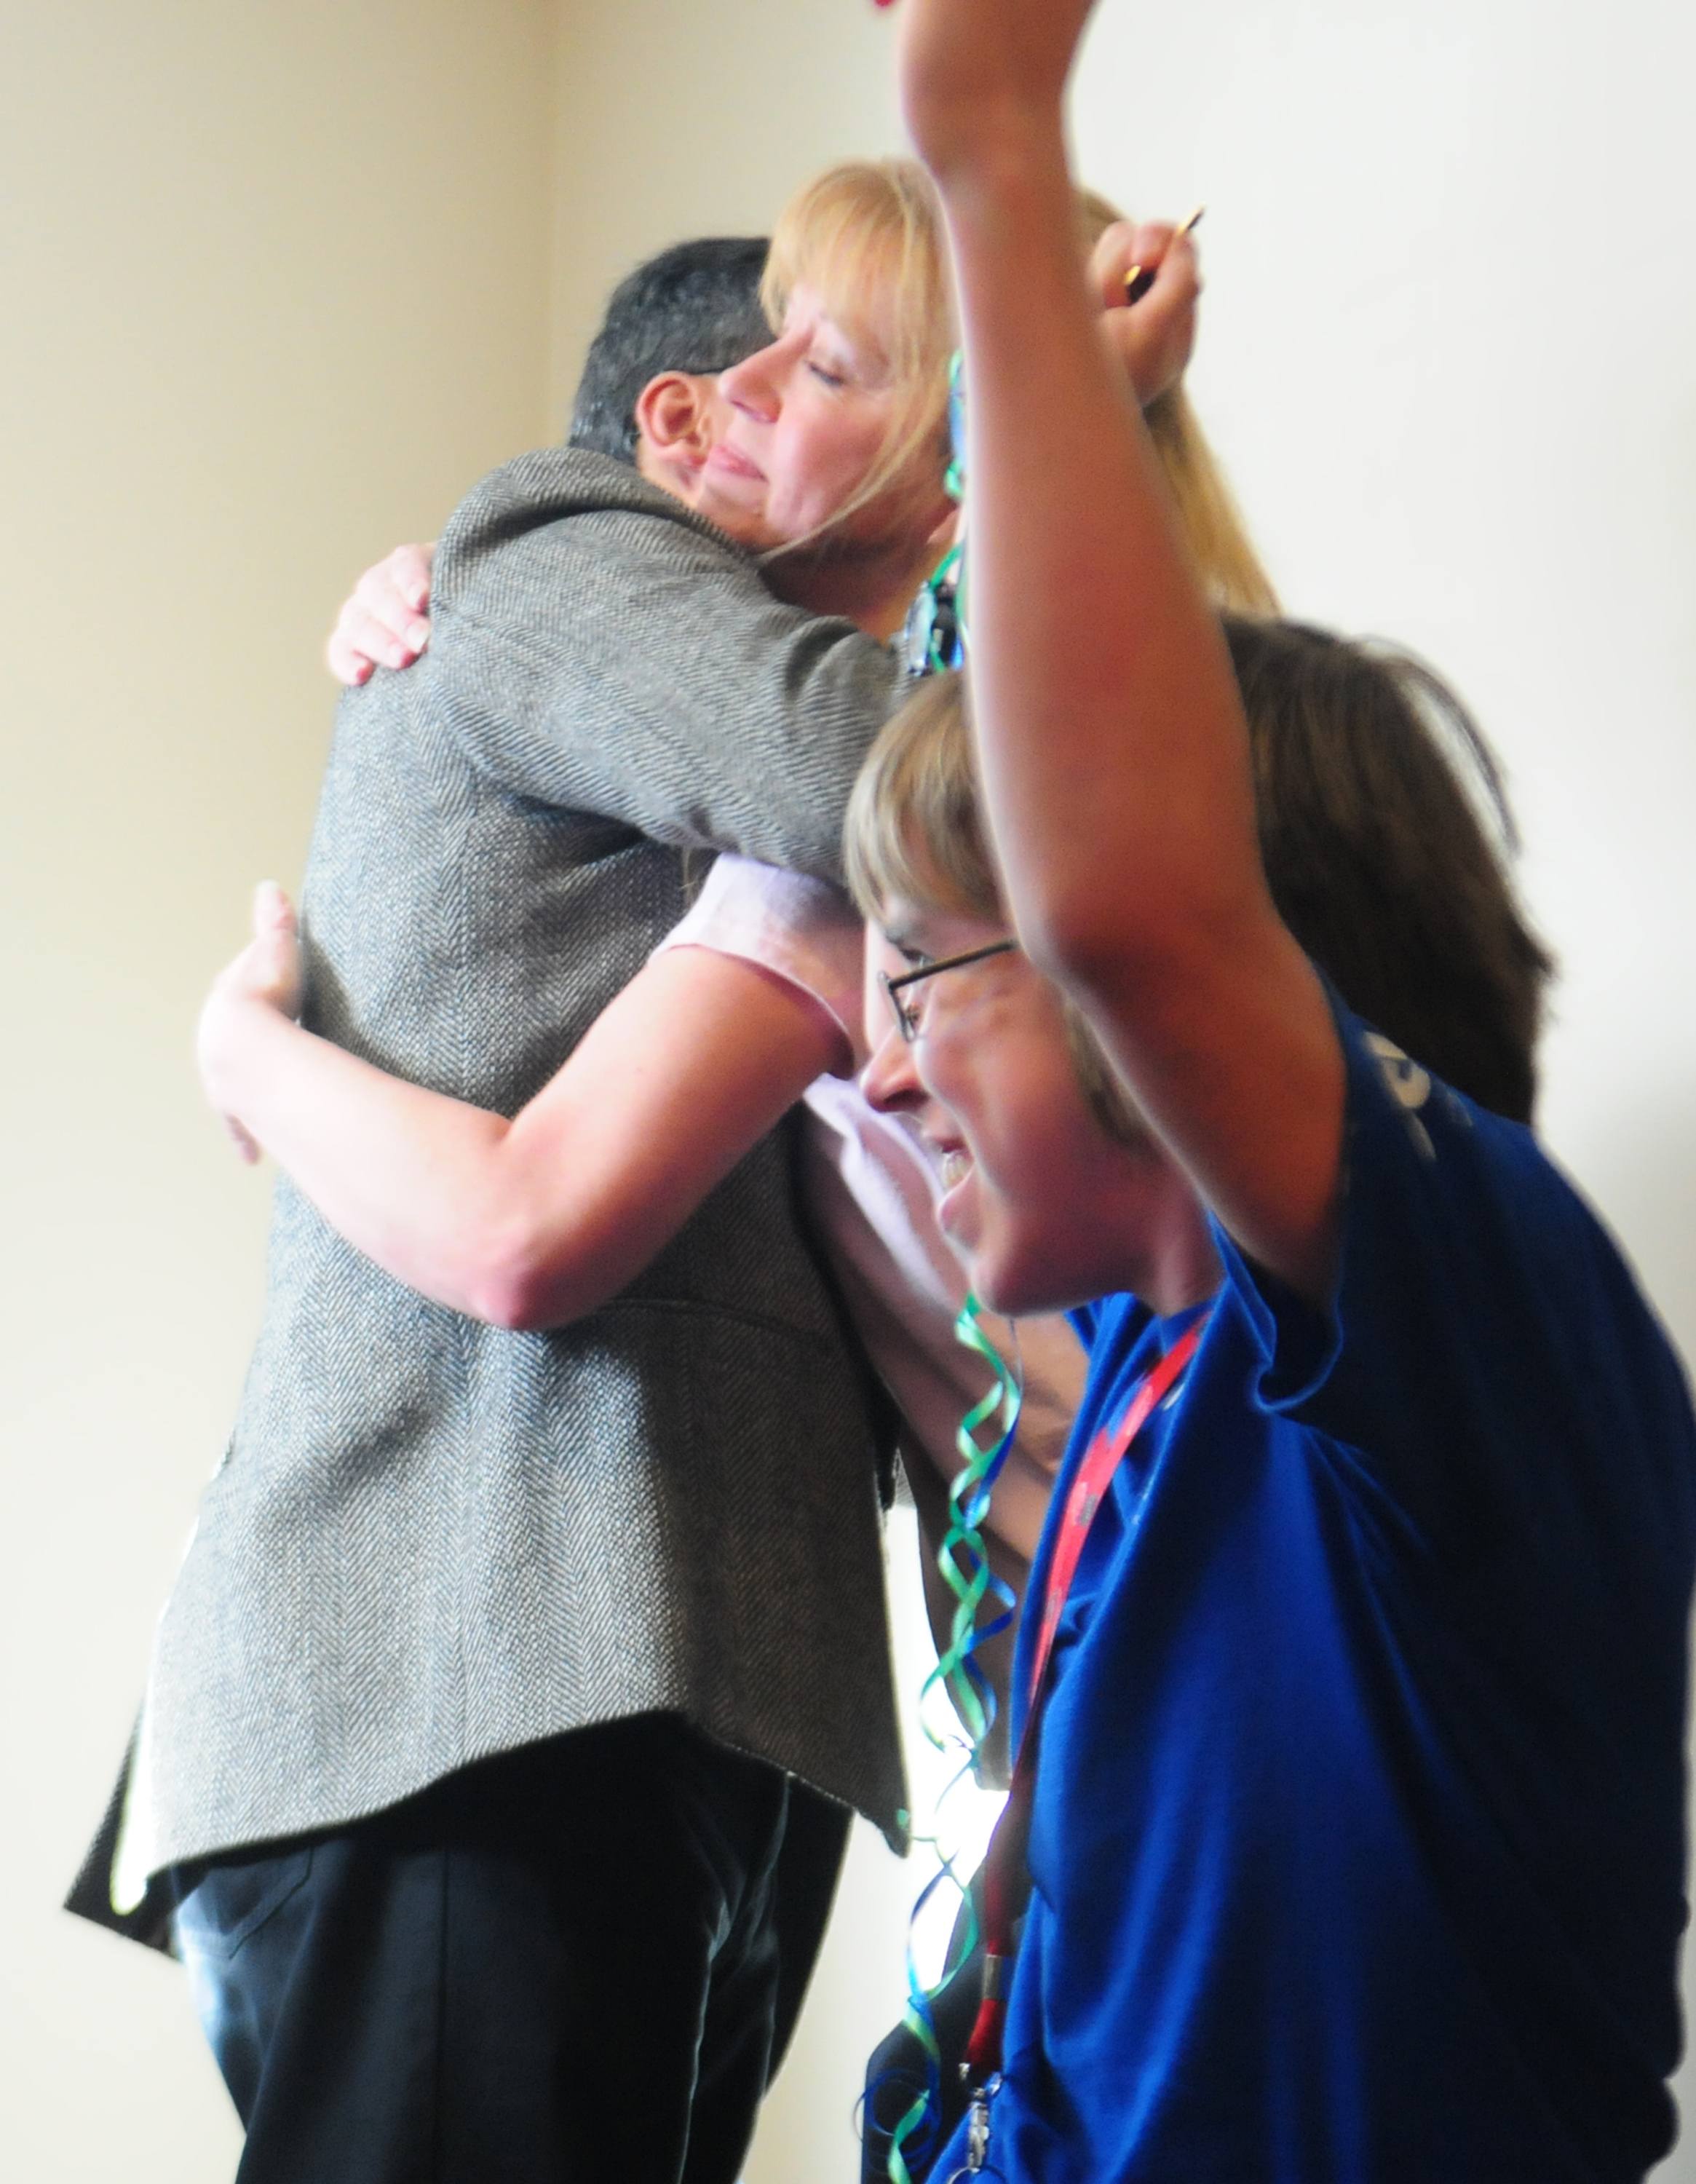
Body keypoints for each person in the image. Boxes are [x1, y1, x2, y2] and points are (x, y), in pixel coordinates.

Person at [830, 1, 1696, 2177]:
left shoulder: (1480, 1336)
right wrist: (1082, 439)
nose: (883, 1059)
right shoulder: (1144, 1366)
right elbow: (999, 823)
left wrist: (992, 147)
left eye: (921, 988)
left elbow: (1108, 891)